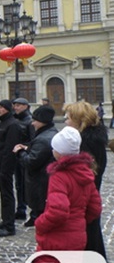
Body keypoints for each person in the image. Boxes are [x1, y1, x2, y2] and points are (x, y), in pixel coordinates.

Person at [34, 126, 101, 258]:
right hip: (78, 236)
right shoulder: (86, 172)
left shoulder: (59, 175)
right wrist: (78, 221)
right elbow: (95, 208)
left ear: (59, 152)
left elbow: (58, 211)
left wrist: (40, 223)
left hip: (57, 238)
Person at [64, 101, 108, 260]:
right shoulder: (89, 138)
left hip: (85, 196)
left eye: (69, 117)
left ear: (79, 119)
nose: (66, 121)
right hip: (88, 195)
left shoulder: (87, 141)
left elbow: (89, 172)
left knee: (89, 235)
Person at [12, 105, 57, 228]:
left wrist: (20, 152)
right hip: (44, 178)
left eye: (35, 121)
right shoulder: (50, 132)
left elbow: (31, 162)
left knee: (40, 209)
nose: (32, 123)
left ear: (42, 122)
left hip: (39, 180)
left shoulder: (43, 139)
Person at [0, 99, 23, 237]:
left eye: (2, 107)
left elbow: (10, 148)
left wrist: (4, 168)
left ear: (8, 109)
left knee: (7, 195)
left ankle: (10, 226)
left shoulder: (13, 124)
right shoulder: (2, 123)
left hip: (6, 166)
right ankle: (5, 220)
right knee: (3, 194)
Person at [12, 97, 34, 221]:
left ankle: (31, 210)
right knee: (18, 184)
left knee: (26, 184)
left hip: (25, 156)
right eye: (15, 105)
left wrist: (25, 148)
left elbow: (33, 140)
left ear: (26, 106)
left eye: (19, 105)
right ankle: (20, 209)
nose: (16, 107)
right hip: (15, 156)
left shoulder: (30, 121)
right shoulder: (15, 119)